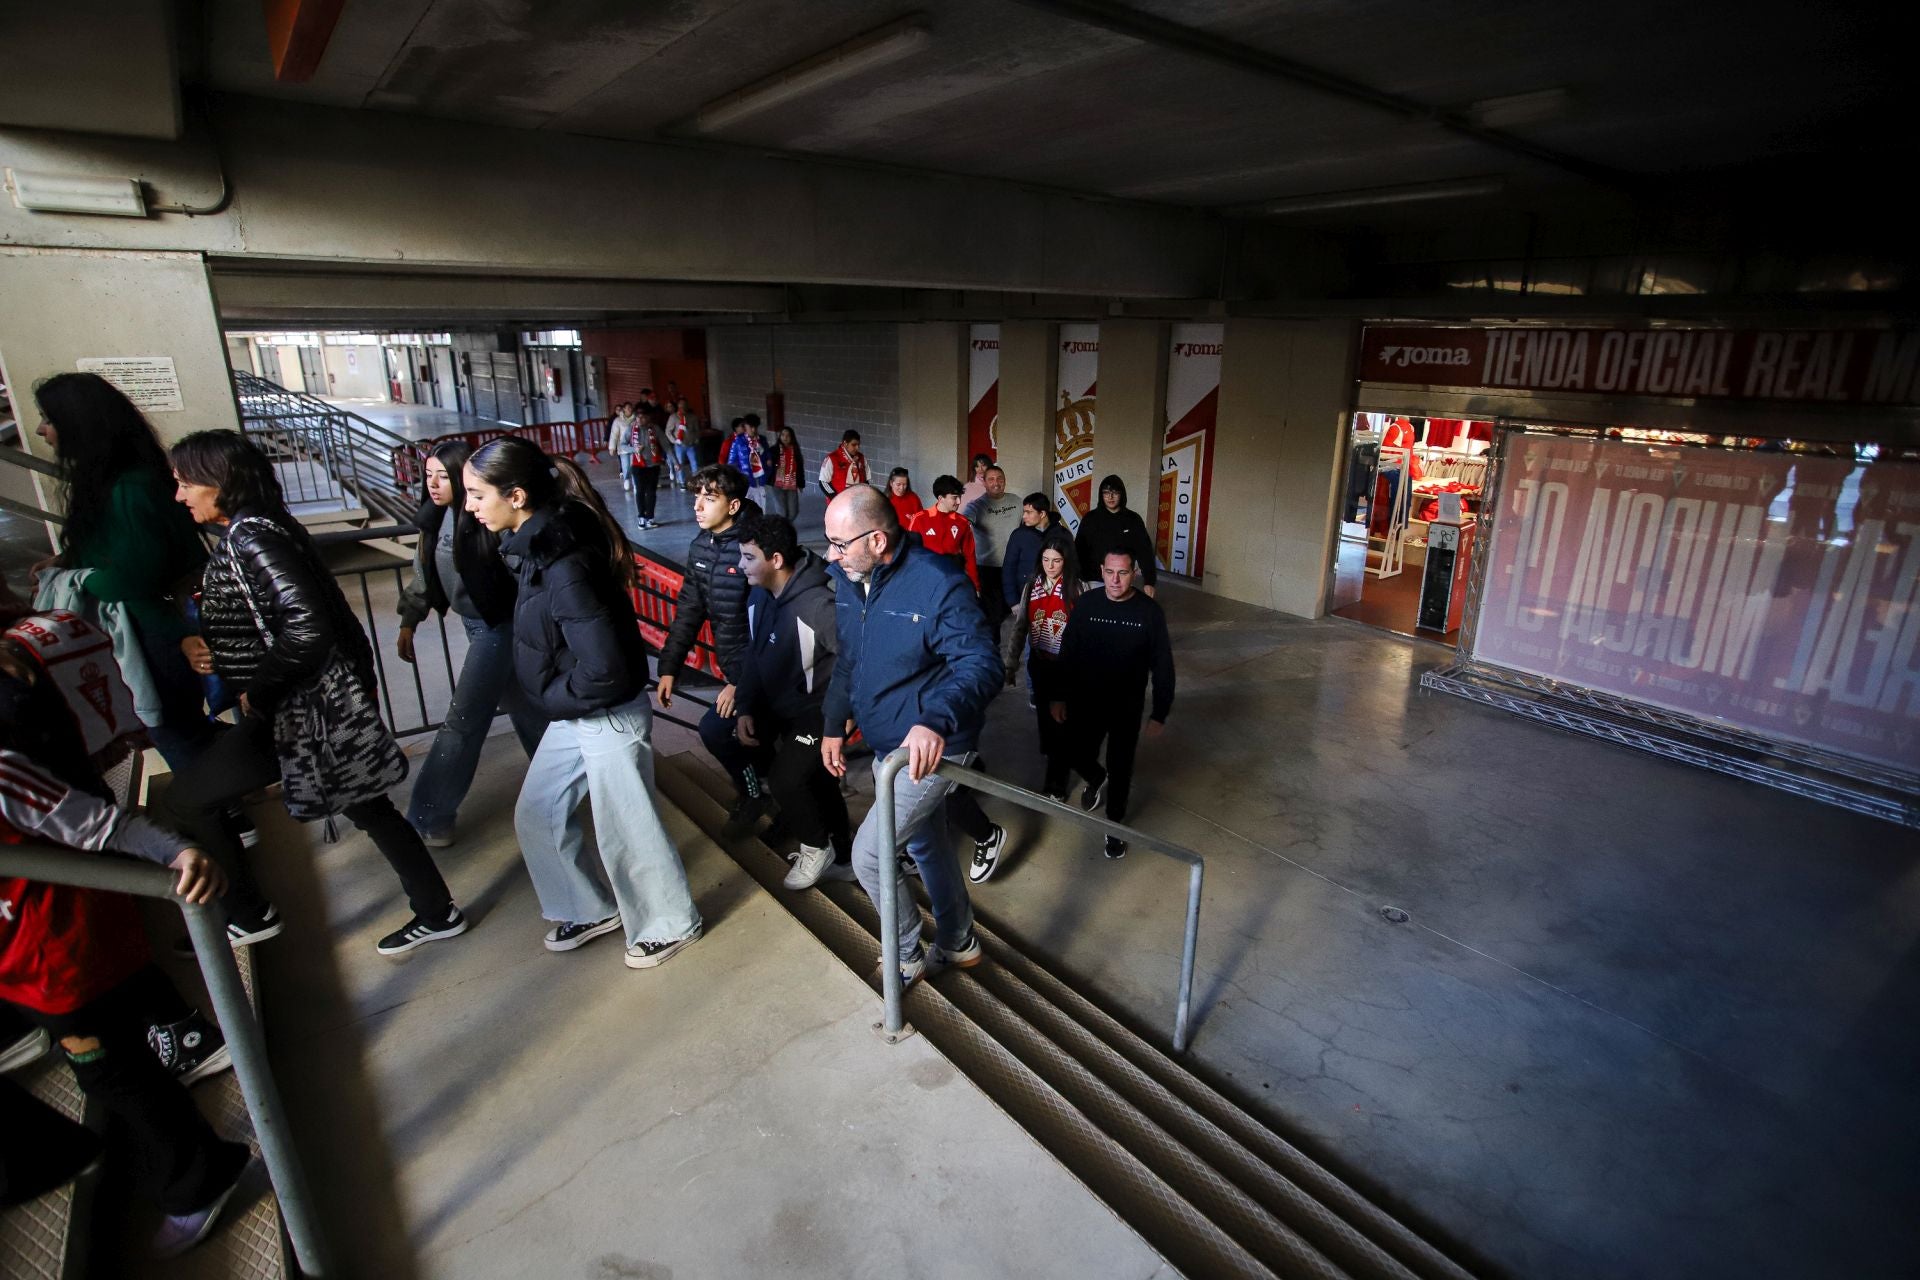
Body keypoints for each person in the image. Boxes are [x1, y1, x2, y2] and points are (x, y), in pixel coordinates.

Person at [157, 431, 466, 956]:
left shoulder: (253, 537)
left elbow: (306, 625)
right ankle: (437, 912)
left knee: (187, 800)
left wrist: (259, 685)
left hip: (300, 710)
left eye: (186, 483)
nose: (180, 495)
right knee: (369, 806)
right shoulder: (263, 527)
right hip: (308, 705)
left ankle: (246, 914)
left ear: (220, 481)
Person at [0, 716, 251, 1258]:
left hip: (65, 959)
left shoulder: (2, 778)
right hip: (25, 964)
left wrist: (176, 854)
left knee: (113, 1076)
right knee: (116, 1056)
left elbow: (103, 824)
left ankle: (201, 1179)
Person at [465, 438, 703, 968]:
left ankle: (671, 921)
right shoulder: (537, 545)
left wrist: (549, 695)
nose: (469, 506)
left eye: (477, 495)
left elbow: (608, 667)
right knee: (537, 813)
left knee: (628, 828)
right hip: (577, 708)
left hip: (604, 711)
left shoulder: (563, 561)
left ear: (518, 495)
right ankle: (588, 905)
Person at [820, 486, 1001, 985]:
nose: (830, 554)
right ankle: (959, 940)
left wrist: (935, 719)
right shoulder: (852, 578)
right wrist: (834, 724)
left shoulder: (937, 583)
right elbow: (850, 662)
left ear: (877, 539)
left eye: (839, 543)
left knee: (871, 856)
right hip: (886, 743)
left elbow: (981, 663)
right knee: (926, 846)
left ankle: (904, 954)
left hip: (933, 744)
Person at [28, 372, 214, 769]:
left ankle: (220, 815)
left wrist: (72, 579)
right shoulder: (113, 482)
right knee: (175, 728)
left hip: (161, 629)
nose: (42, 430)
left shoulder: (129, 488)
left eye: (49, 418)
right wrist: (68, 562)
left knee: (175, 731)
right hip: (156, 626)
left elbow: (129, 577)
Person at [396, 440, 546, 848]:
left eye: (442, 475)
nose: (432, 483)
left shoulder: (486, 517)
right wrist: (409, 619)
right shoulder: (434, 519)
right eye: (427, 475)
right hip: (476, 625)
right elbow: (424, 574)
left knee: (463, 720)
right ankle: (569, 779)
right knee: (526, 707)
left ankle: (429, 816)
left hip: (499, 626)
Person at [731, 514, 854, 891]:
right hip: (783, 708)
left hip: (820, 711)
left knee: (788, 779)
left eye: (749, 558)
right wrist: (746, 704)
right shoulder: (760, 593)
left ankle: (817, 847)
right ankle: (844, 856)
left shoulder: (818, 604)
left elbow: (855, 659)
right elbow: (755, 652)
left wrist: (846, 713)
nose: (740, 566)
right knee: (816, 780)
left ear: (776, 560)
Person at [654, 465, 772, 834]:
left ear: (734, 505)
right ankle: (764, 793)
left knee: (716, 731)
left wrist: (741, 684)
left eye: (709, 498)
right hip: (735, 666)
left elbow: (768, 628)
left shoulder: (756, 548)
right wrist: (670, 666)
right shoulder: (701, 546)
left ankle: (758, 795)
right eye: (696, 497)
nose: (697, 506)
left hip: (763, 669)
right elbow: (689, 608)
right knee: (753, 739)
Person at [1054, 549, 1175, 859]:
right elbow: (1068, 651)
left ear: (1133, 572)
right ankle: (1096, 777)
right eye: (1109, 572)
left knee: (1121, 768)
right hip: (1086, 699)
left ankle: (1115, 827)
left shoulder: (1149, 613)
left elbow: (1163, 665)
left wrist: (1160, 711)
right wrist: (1058, 695)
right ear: (1101, 570)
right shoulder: (1088, 604)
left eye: (1122, 573)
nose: (1115, 580)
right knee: (1075, 753)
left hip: (1126, 705)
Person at [1005, 543, 1080, 805]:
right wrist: (1011, 663)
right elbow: (1021, 626)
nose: (1050, 566)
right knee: (1045, 721)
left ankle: (1056, 783)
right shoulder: (1032, 586)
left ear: (1066, 562)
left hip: (1066, 668)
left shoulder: (1076, 588)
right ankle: (1054, 758)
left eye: (1056, 561)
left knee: (1060, 723)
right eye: (1046, 559)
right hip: (1039, 664)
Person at [1073, 474, 1159, 597]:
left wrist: (1149, 581)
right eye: (1106, 493)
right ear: (1101, 495)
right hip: (1092, 580)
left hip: (1122, 580)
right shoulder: (1090, 519)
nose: (1110, 497)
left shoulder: (1133, 519)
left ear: (1122, 494)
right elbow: (1078, 550)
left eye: (1115, 493)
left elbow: (1144, 551)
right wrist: (1076, 578)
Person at [963, 464, 1024, 632]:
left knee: (1009, 611)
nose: (996, 483)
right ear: (984, 482)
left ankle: (1005, 649)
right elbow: (961, 524)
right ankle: (991, 650)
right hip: (987, 569)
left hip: (1012, 567)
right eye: (991, 479)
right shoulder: (975, 506)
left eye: (1000, 479)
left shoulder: (1017, 501)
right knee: (991, 616)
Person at [1000, 491, 1069, 619]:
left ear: (1042, 513)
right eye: (1024, 511)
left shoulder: (1062, 534)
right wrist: (1013, 601)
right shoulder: (1018, 535)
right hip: (1025, 597)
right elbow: (1009, 569)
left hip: (1056, 597)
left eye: (1029, 512)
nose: (1024, 516)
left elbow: (1071, 566)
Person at [904, 476, 980, 592]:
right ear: (940, 498)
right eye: (954, 498)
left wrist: (975, 586)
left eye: (959, 497)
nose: (959, 502)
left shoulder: (962, 523)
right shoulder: (920, 519)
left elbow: (970, 556)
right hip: (925, 581)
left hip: (952, 581)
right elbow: (909, 553)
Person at [629, 406, 669, 529]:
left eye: (643, 417)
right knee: (640, 491)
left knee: (651, 492)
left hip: (653, 465)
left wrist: (675, 462)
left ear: (648, 418)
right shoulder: (631, 429)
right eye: (638, 417)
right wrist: (633, 449)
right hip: (637, 465)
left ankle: (650, 518)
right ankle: (641, 517)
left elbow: (666, 445)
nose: (640, 419)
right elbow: (622, 445)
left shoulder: (655, 429)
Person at [768, 425, 804, 522]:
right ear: (780, 436)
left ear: (792, 437)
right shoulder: (773, 450)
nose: (785, 437)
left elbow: (800, 469)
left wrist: (800, 484)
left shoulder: (795, 451)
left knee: (793, 512)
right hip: (777, 484)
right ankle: (784, 530)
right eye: (783, 435)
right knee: (782, 512)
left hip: (791, 484)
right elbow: (766, 462)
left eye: (788, 435)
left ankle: (785, 525)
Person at [817, 430, 869, 497]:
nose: (857, 448)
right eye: (853, 445)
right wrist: (836, 499)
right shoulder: (832, 458)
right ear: (845, 443)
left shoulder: (862, 458)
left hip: (858, 501)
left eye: (858, 445)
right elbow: (823, 482)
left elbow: (866, 481)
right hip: (839, 502)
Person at [666, 398, 701, 489]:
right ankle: (682, 482)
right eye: (681, 405)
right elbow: (668, 431)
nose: (683, 407)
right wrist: (674, 440)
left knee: (694, 463)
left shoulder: (692, 417)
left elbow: (697, 430)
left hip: (690, 444)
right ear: (678, 406)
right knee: (679, 463)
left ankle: (695, 482)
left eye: (684, 404)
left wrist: (696, 438)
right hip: (679, 445)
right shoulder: (673, 417)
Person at [726, 418, 770, 490]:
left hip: (761, 477)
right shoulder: (738, 441)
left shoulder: (762, 439)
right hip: (745, 478)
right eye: (750, 427)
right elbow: (732, 462)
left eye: (755, 427)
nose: (753, 430)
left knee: (761, 500)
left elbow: (767, 457)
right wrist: (738, 477)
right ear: (745, 427)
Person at [607, 402, 638, 492]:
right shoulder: (617, 420)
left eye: (631, 407)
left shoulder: (636, 419)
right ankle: (626, 478)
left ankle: (635, 483)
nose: (629, 409)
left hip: (634, 447)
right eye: (627, 408)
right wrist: (612, 447)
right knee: (626, 466)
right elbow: (614, 434)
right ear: (624, 409)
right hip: (623, 447)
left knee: (634, 465)